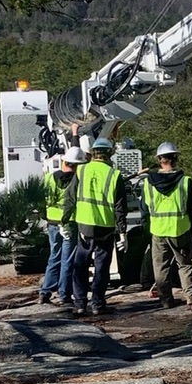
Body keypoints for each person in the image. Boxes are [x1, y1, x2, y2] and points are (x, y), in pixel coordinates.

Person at [68, 134, 127, 317]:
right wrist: (123, 232)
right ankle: (97, 304)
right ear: (109, 154)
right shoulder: (114, 174)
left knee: (80, 265)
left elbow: (69, 197)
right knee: (102, 267)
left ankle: (79, 304)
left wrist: (64, 221)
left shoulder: (81, 171)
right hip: (105, 228)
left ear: (92, 154)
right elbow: (120, 206)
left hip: (85, 226)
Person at [143, 140, 192, 308]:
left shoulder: (148, 183)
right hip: (180, 229)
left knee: (160, 267)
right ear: (175, 158)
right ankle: (190, 296)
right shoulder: (185, 181)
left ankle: (166, 300)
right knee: (184, 265)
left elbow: (144, 210)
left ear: (159, 159)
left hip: (158, 231)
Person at [38, 150, 79, 306]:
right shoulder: (76, 180)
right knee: (67, 259)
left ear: (64, 162)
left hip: (53, 222)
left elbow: (41, 200)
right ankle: (64, 295)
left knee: (54, 256)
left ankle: (45, 292)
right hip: (69, 222)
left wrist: (46, 217)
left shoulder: (49, 178)